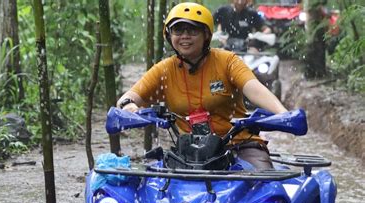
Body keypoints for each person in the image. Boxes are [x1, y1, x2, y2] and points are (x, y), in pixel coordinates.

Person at [116, 2, 287, 170]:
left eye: (192, 30)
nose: (184, 36)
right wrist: (129, 106)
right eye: (178, 30)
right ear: (169, 35)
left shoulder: (227, 61)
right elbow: (128, 97)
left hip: (240, 144)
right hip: (191, 150)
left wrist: (284, 115)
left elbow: (254, 89)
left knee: (263, 182)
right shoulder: (164, 70)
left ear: (206, 34)